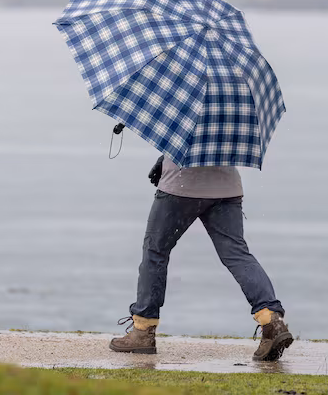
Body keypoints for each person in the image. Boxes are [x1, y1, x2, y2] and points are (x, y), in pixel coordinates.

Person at [108, 154, 294, 361]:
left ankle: (143, 330)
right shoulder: (233, 120)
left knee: (156, 252)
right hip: (227, 188)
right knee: (237, 254)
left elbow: (184, 136)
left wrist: (166, 158)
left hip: (179, 186)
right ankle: (271, 319)